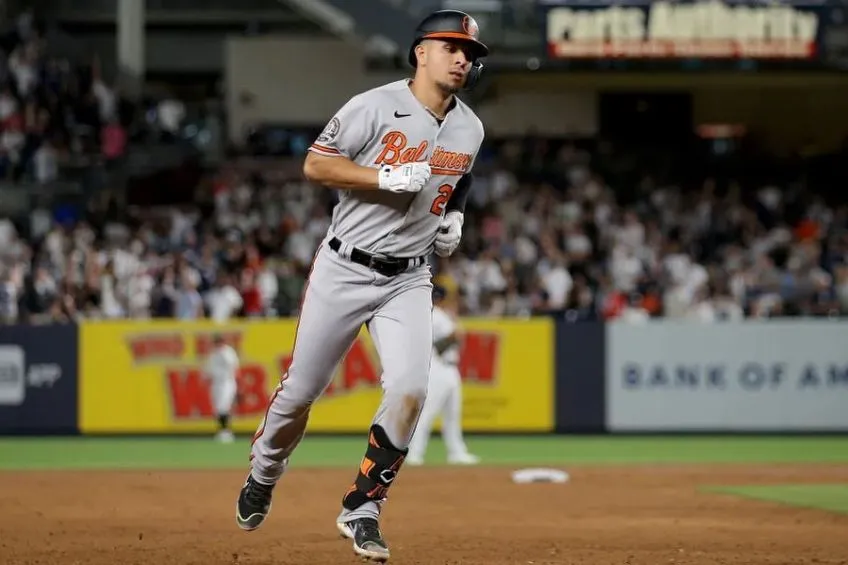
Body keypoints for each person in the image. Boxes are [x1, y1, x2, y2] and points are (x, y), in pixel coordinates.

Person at [235, 9, 488, 563]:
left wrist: (456, 216)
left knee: (411, 390)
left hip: (410, 276)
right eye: (452, 48)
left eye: (470, 53)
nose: (463, 59)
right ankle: (264, 470)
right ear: (421, 51)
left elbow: (461, 173)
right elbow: (316, 164)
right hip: (344, 267)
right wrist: (382, 177)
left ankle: (363, 507)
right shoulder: (374, 105)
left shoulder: (471, 126)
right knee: (301, 391)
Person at [406, 284, 480, 466]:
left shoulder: (441, 315)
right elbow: (440, 345)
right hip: (438, 368)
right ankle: (414, 453)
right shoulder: (434, 315)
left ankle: (457, 452)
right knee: (428, 413)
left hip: (450, 369)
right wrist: (455, 333)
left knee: (452, 414)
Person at [203, 334, 240, 443]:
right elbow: (209, 369)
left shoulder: (228, 352)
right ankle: (222, 431)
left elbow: (234, 368)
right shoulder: (213, 354)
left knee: (223, 406)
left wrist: (239, 385)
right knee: (217, 408)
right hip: (216, 383)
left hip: (226, 383)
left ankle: (226, 431)